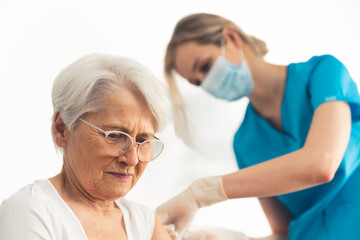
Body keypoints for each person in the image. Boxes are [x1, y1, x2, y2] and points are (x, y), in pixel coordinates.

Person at [155, 13, 360, 240]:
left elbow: (321, 164)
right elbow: (283, 233)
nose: (206, 82)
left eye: (205, 66)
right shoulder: (244, 143)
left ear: (231, 38)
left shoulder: (323, 73)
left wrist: (201, 192)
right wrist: (231, 238)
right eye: (197, 82)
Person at [0, 53, 173, 240]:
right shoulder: (31, 211)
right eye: (114, 136)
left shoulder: (145, 223)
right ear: (62, 129)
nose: (131, 159)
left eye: (142, 140)